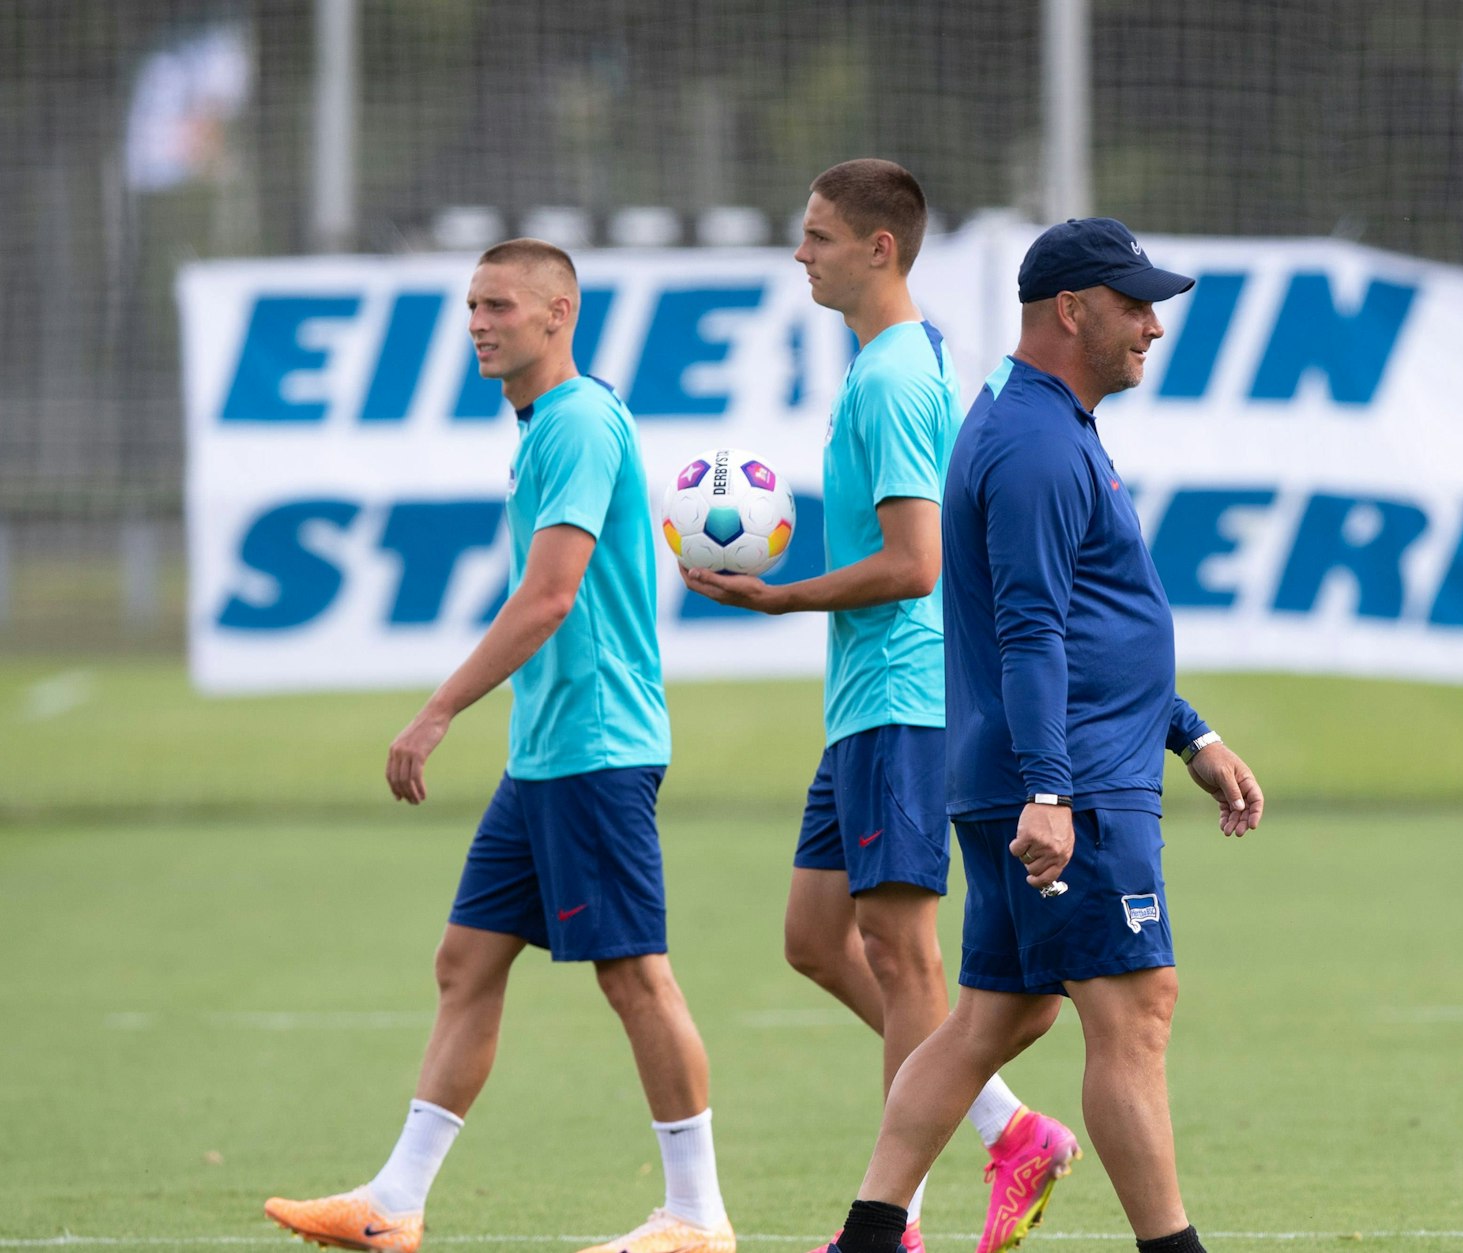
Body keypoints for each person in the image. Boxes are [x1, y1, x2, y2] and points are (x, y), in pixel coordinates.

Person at [264, 239, 734, 1253]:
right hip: (548, 752)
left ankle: (697, 1213)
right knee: (465, 960)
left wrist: (437, 708)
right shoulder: (546, 423)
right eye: (471, 306)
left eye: (499, 306)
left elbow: (550, 594)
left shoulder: (573, 422)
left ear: (557, 314)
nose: (478, 322)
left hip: (596, 745)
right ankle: (393, 1202)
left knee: (633, 974)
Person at [812, 218, 1264, 1253]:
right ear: (1070, 309)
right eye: (1133, 304)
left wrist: (1189, 734)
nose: (1150, 325)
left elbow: (1101, 622)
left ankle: (870, 1235)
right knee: (1135, 1009)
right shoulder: (1032, 445)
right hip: (1070, 787)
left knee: (995, 1017)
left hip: (1058, 770)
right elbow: (1029, 628)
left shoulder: (1047, 425)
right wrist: (1051, 789)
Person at [682, 159, 1078, 1253]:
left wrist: (781, 595)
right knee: (815, 937)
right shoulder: (884, 367)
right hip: (867, 700)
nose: (798, 253)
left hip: (906, 696)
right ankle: (1009, 1124)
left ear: (877, 249)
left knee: (905, 960)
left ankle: (897, 1217)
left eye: (814, 236)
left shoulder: (898, 378)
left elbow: (914, 564)